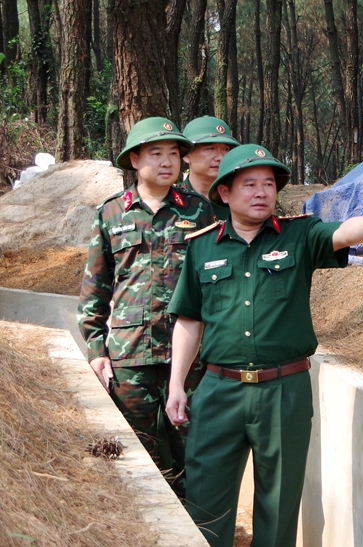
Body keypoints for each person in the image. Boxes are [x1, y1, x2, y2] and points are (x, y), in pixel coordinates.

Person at [165, 143, 363, 547]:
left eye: (269, 183)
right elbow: (189, 318)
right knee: (206, 504)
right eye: (249, 184)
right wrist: (177, 383)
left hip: (283, 392)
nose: (262, 192)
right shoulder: (202, 246)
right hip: (217, 391)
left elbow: (340, 233)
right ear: (225, 193)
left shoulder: (300, 234)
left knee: (278, 504)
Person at [77, 117, 216, 498]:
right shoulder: (110, 214)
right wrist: (95, 350)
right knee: (140, 457)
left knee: (194, 454)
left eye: (174, 154)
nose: (167, 162)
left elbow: (215, 286)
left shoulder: (199, 212)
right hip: (129, 358)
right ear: (135, 159)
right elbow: (95, 288)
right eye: (156, 153)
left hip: (187, 359)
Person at [180, 116, 239, 221]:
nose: (220, 157)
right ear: (187, 155)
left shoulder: (240, 202)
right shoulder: (171, 202)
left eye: (226, 149)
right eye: (210, 149)